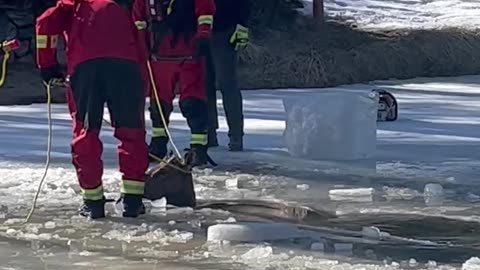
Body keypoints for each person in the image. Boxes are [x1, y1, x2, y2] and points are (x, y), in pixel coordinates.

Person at [35, 0, 149, 219]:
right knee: (131, 132)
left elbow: (45, 23)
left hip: (86, 67)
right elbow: (145, 32)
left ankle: (93, 202)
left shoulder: (76, 2)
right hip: (127, 67)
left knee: (86, 133)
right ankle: (132, 202)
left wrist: (47, 65)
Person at [132, 0, 215, 166]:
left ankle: (198, 147)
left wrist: (203, 34)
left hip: (189, 52)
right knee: (158, 103)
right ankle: (158, 143)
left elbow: (205, 11)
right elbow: (138, 17)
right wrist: (141, 41)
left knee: (193, 101)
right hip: (159, 53)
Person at [205, 0, 251, 151]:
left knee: (228, 84)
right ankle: (209, 134)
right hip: (200, 32)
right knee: (204, 85)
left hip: (225, 30)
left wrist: (242, 24)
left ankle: (236, 136)